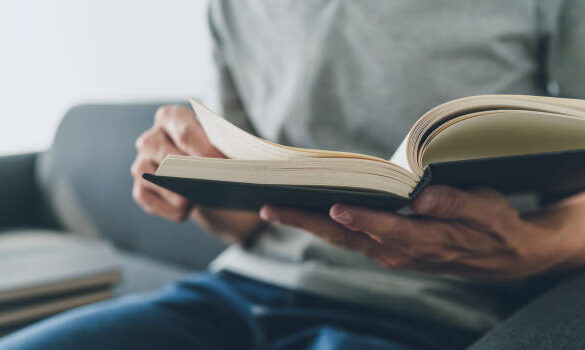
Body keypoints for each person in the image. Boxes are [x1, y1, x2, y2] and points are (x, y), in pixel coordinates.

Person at [2, 1, 585, 349]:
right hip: (235, 290)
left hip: (428, 311)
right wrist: (182, 178)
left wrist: (543, 246)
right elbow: (247, 222)